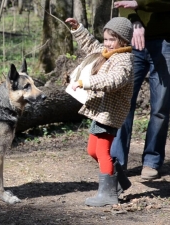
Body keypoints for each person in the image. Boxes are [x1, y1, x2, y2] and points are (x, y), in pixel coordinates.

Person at [65, 17, 134, 207]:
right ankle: (118, 179)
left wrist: (84, 83)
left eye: (112, 39)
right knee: (92, 151)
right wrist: (78, 28)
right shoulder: (107, 53)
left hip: (111, 113)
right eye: (106, 39)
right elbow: (90, 44)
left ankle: (107, 194)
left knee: (102, 151)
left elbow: (113, 81)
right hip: (101, 112)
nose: (107, 43)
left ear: (124, 40)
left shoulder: (124, 60)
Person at [110, 1, 170, 180]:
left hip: (167, 41)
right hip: (131, 39)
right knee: (123, 102)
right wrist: (134, 20)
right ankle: (117, 161)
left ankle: (152, 161)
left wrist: (138, 3)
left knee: (160, 107)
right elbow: (120, 2)